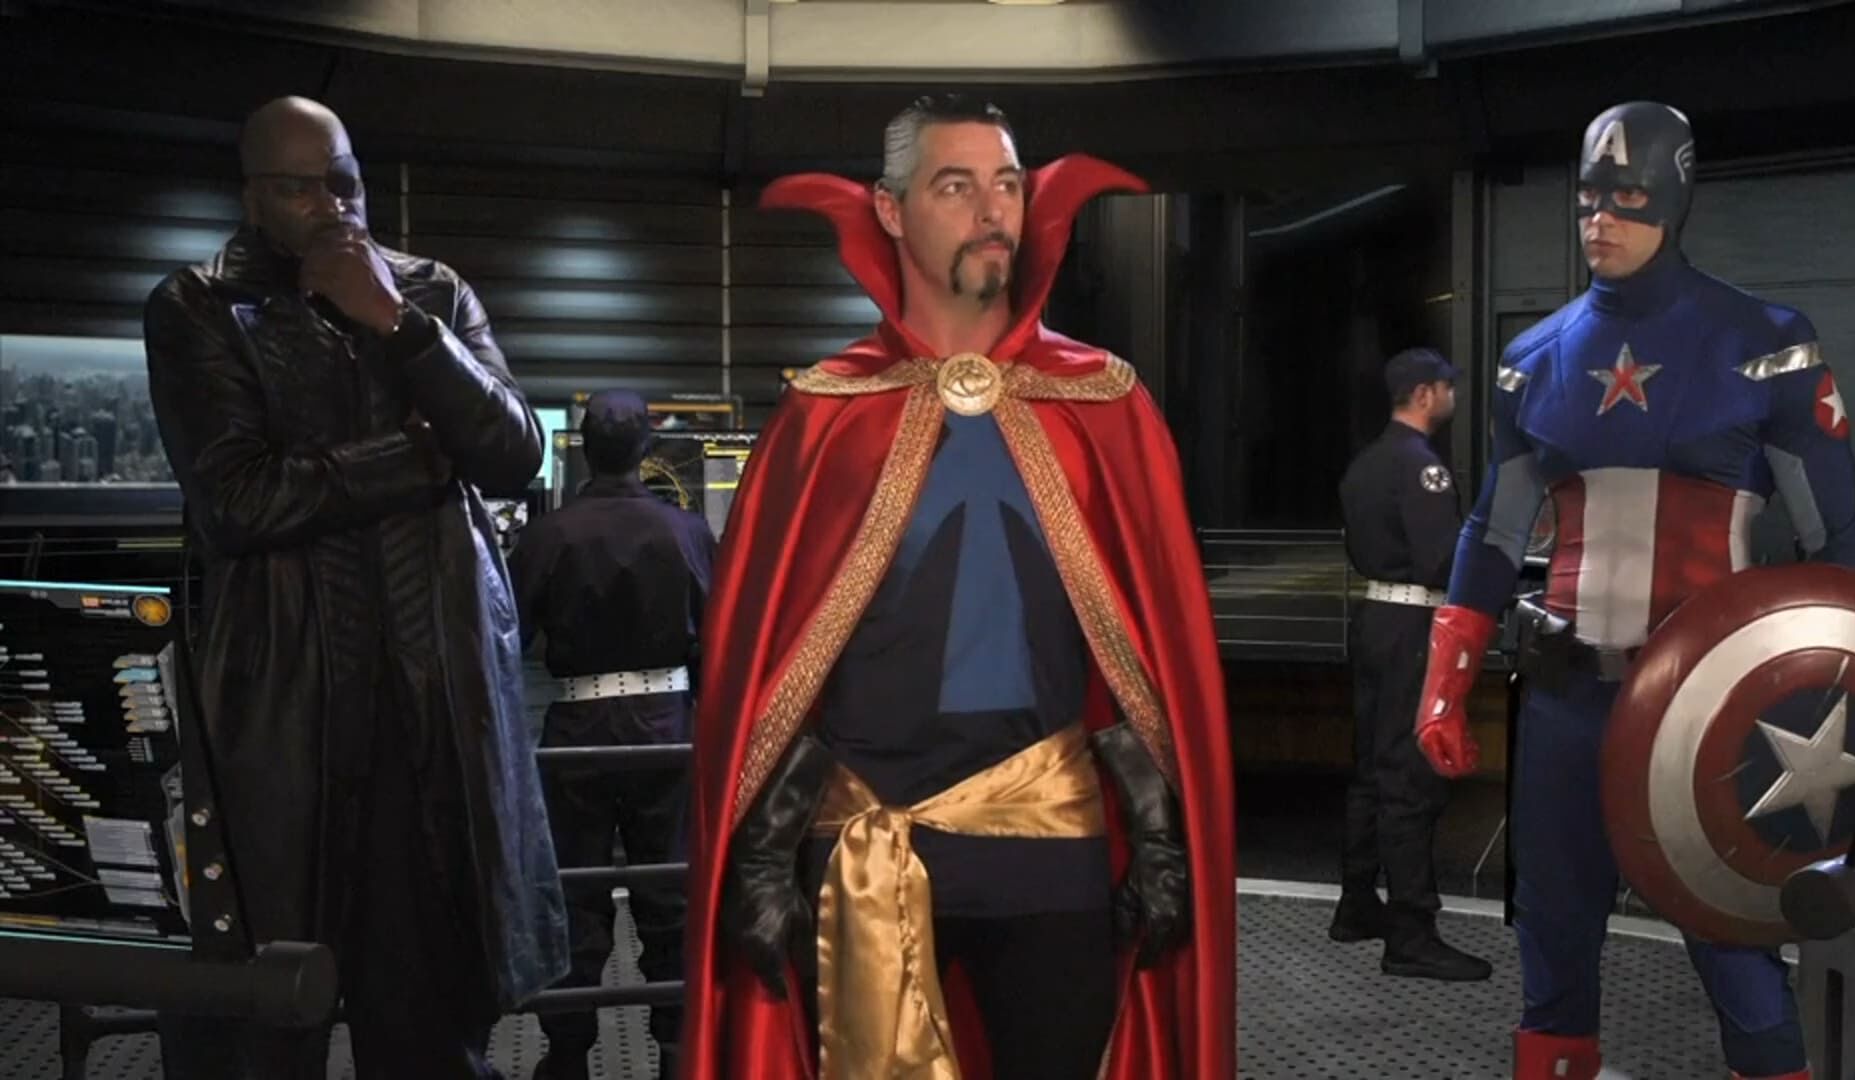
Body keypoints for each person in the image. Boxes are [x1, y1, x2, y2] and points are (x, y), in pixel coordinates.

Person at [679, 94, 1236, 1079]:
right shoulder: (824, 415)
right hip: (861, 835)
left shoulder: (1102, 403)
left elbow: (1144, 655)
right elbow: (771, 666)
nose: (991, 211)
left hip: (1049, 845)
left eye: (1007, 185)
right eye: (955, 185)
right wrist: (760, 849)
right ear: (889, 210)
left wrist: (1161, 829)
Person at [1414, 101, 1855, 1080]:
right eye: (1588, 199)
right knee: (1553, 930)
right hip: (1566, 696)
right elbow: (1495, 531)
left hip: (1708, 711)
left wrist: (1841, 704)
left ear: (1675, 198)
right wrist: (1444, 679)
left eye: (1627, 198)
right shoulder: (1535, 360)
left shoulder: (1765, 342)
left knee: (1733, 939)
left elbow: (1835, 550)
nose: (1600, 220)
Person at [144, 95, 566, 1078]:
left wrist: (398, 324)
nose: (332, 206)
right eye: (300, 188)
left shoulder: (432, 293)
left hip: (434, 716)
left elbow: (514, 453)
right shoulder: (198, 305)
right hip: (281, 722)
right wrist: (418, 459)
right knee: (262, 1022)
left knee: (431, 1032)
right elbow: (239, 500)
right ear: (254, 196)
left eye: (345, 182)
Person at [507, 390, 715, 1080]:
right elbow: (719, 639)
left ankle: (567, 1055)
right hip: (667, 728)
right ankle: (678, 1052)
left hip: (577, 730)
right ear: (646, 448)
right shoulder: (687, 532)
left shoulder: (548, 536)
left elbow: (509, 639)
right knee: (670, 892)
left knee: (573, 894)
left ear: (584, 449)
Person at [1332, 347, 1491, 982]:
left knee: (1371, 768)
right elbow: (1439, 562)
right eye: (1448, 387)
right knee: (1410, 777)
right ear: (1426, 394)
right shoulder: (1423, 467)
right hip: (1413, 628)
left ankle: (1356, 903)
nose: (1453, 397)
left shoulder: (1366, 462)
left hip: (1374, 618)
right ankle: (1411, 933)